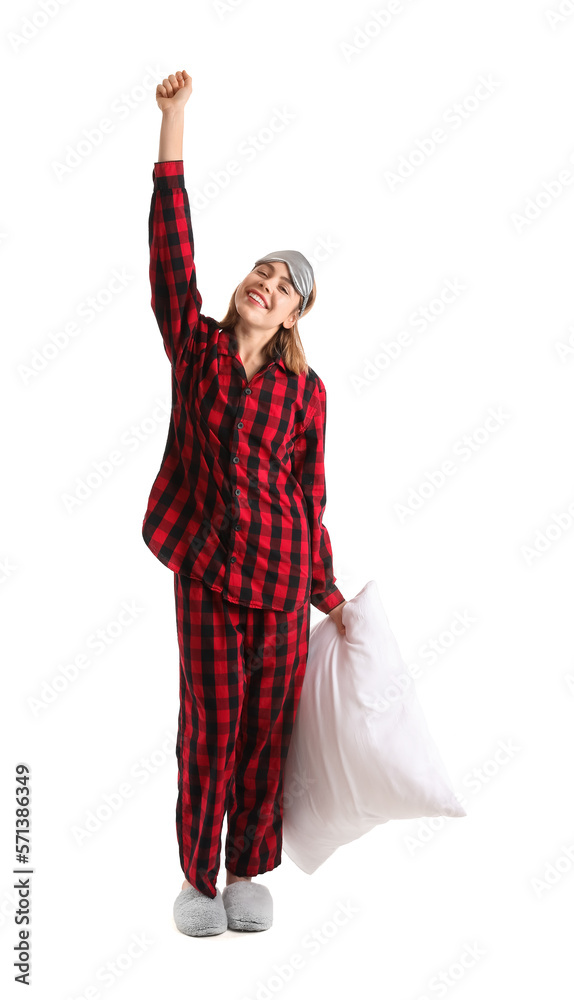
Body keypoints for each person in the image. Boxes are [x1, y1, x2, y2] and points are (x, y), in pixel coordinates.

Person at [141, 70, 347, 937]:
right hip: (207, 572)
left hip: (280, 581)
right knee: (210, 727)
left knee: (268, 734)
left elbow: (311, 497)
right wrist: (175, 127)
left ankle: (248, 867)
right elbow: (172, 256)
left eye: (283, 284)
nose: (264, 282)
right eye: (259, 271)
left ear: (295, 314)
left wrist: (327, 592)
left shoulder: (307, 393)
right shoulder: (196, 347)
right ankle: (198, 879)